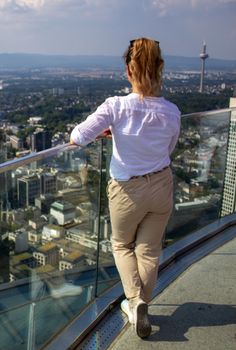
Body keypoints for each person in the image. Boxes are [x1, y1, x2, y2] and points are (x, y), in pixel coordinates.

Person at [70, 37, 180, 338]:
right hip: (161, 184)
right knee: (148, 251)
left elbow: (78, 137)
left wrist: (112, 133)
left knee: (120, 245)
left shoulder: (115, 107)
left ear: (129, 71)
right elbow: (168, 150)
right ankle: (140, 304)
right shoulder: (172, 111)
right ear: (160, 70)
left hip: (127, 189)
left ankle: (135, 301)